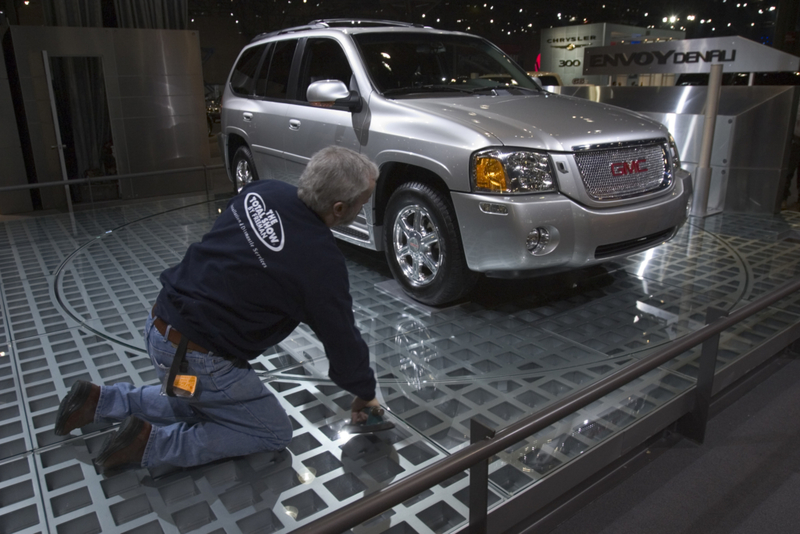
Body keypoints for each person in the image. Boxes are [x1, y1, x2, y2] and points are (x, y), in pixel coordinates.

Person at [54, 146, 381, 472]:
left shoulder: (263, 190)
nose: (365, 205)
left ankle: (98, 401)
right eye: (363, 200)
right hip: (200, 359)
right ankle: (149, 443)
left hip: (160, 330)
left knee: (195, 397)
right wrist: (364, 391)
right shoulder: (321, 262)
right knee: (270, 430)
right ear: (339, 208)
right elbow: (342, 340)